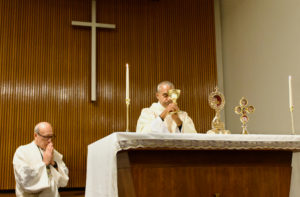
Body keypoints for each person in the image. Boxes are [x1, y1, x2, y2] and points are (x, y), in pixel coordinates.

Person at [13, 122, 69, 197]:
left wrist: (53, 163)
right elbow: (24, 179)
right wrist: (44, 163)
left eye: (51, 136)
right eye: (46, 137)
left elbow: (64, 180)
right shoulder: (22, 151)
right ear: (35, 135)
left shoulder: (54, 153)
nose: (50, 141)